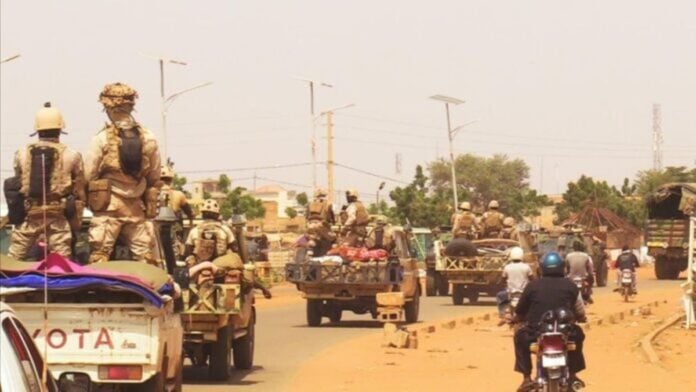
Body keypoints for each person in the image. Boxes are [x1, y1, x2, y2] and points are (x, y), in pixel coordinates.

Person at [85, 83, 162, 264]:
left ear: (107, 107)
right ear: (131, 105)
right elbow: (155, 176)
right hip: (137, 209)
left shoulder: (101, 138)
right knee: (146, 261)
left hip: (107, 209)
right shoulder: (149, 137)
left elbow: (88, 175)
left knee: (99, 259)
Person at [7, 103, 86, 260]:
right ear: (60, 128)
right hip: (58, 218)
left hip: (30, 216)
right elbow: (79, 188)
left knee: (11, 263)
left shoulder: (21, 154)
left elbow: (19, 180)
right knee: (63, 265)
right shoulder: (72, 155)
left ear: (37, 129)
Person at [513, 252, 587, 391]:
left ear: (541, 268)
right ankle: (573, 374)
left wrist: (516, 319)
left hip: (536, 332)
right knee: (579, 335)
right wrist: (581, 318)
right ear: (562, 268)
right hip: (566, 332)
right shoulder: (571, 285)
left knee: (519, 337)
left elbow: (520, 310)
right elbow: (580, 310)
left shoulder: (532, 286)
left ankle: (526, 378)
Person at [183, 199, 271, 298]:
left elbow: (187, 252)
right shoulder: (225, 229)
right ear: (217, 215)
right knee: (239, 266)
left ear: (202, 215)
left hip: (198, 266)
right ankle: (255, 289)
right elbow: (234, 249)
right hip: (220, 266)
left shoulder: (194, 231)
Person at [496, 246, 533, 324]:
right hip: (524, 293)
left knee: (500, 296)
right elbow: (532, 279)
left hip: (511, 293)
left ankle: (503, 315)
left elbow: (503, 279)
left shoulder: (507, 267)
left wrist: (502, 284)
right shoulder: (526, 267)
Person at [305, 187, 336, 256]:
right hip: (322, 226)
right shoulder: (328, 204)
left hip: (310, 226)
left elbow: (307, 217)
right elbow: (331, 218)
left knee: (310, 239)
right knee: (334, 238)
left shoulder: (309, 204)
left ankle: (310, 250)